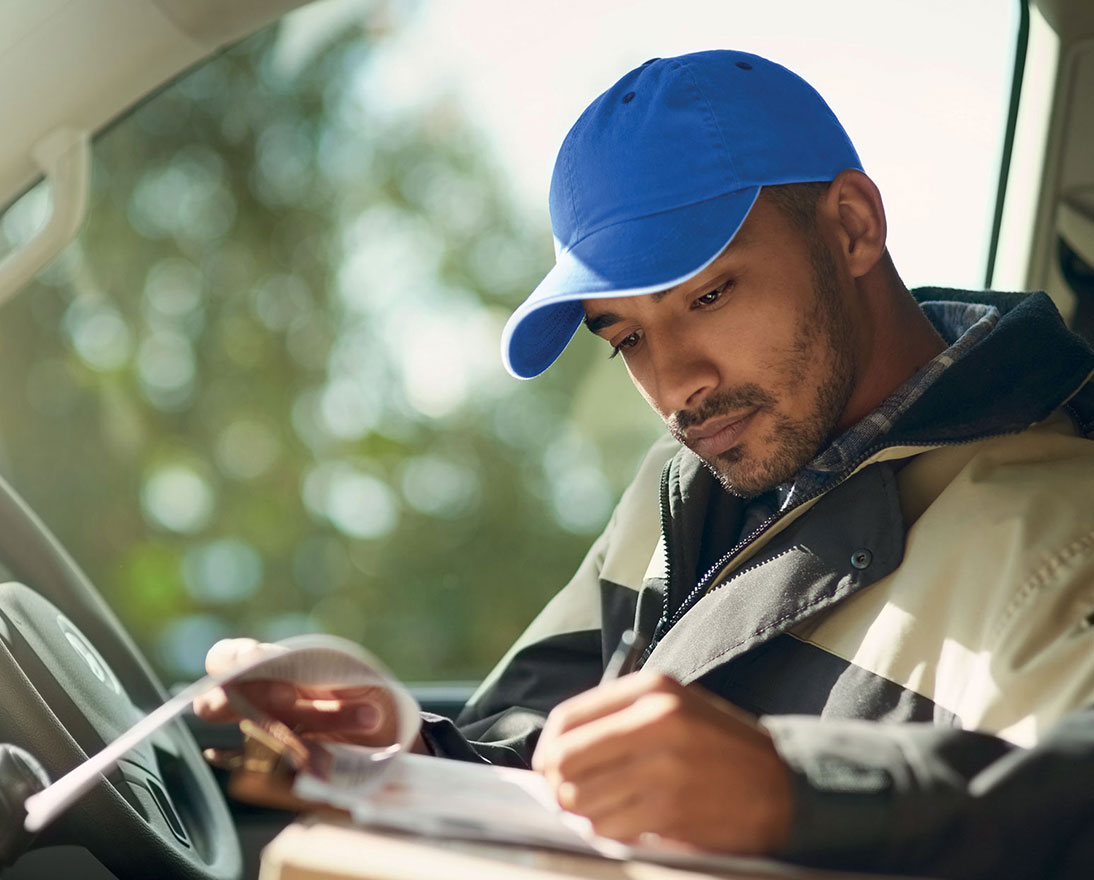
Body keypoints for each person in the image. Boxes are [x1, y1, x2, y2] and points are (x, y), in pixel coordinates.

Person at [197, 50, 1094, 877]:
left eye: (706, 294)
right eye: (624, 336)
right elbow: (534, 752)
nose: (677, 386)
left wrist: (800, 793)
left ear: (853, 228)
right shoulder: (682, 491)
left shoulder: (1060, 520)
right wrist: (403, 749)